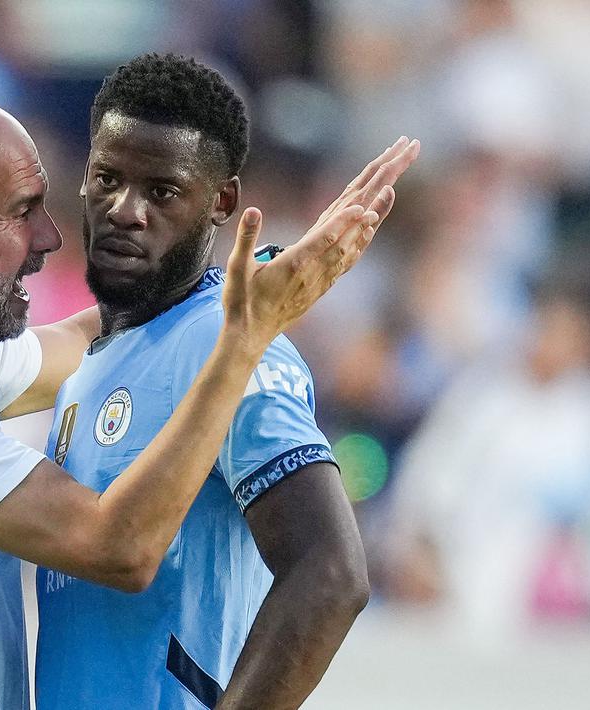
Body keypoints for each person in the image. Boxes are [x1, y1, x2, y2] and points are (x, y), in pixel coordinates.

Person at [0, 87, 408, 709]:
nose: (50, 238)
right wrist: (243, 338)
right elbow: (117, 545)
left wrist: (235, 283)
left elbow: (85, 336)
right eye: (20, 212)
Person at [34, 54, 420, 710]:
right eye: (107, 179)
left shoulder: (229, 343)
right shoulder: (94, 356)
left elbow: (330, 573)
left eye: (162, 191)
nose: (125, 210)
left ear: (221, 202)